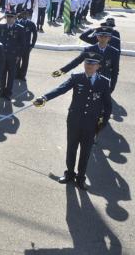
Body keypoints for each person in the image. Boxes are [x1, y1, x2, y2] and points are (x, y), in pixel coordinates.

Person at [33, 52, 112, 190]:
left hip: (91, 124)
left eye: (92, 64)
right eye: (87, 63)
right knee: (71, 148)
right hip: (74, 121)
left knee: (85, 152)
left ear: (98, 66)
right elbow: (61, 89)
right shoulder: (77, 78)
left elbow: (107, 106)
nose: (89, 66)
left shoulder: (104, 82)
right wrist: (44, 98)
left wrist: (101, 125)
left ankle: (80, 178)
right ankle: (69, 173)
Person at [52, 26, 120, 93]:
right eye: (101, 36)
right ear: (97, 36)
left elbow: (115, 71)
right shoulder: (89, 49)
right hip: (89, 80)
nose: (103, 38)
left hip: (104, 82)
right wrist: (62, 71)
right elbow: (76, 62)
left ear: (109, 38)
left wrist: (112, 87)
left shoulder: (114, 52)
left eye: (106, 37)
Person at [0, 11, 25, 100]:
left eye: (11, 17)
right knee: (2, 74)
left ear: (15, 18)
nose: (9, 19)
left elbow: (22, 44)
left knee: (11, 75)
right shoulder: (1, 27)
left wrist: (18, 56)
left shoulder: (19, 28)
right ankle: (1, 92)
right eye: (7, 17)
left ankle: (8, 93)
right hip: (2, 55)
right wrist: (0, 18)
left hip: (13, 56)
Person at [16, 9, 37, 81]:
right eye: (23, 13)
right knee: (17, 61)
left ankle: (22, 76)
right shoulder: (17, 22)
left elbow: (35, 34)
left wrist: (32, 45)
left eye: (26, 14)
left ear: (28, 15)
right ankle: (16, 74)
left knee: (25, 62)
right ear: (21, 14)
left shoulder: (31, 24)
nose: (25, 15)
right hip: (18, 46)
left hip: (26, 46)